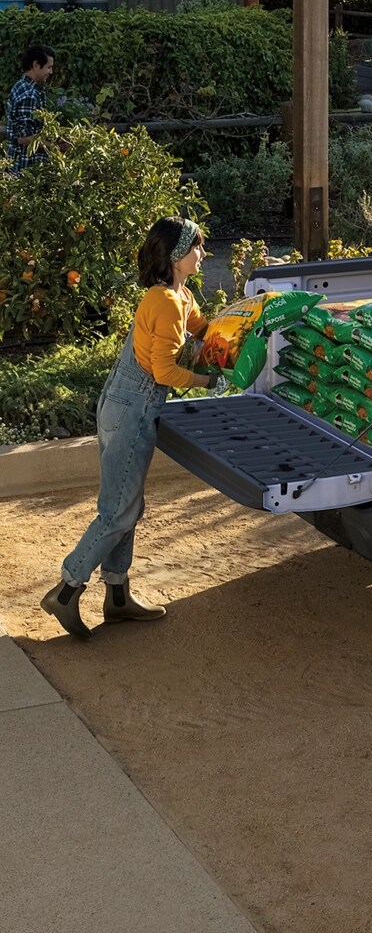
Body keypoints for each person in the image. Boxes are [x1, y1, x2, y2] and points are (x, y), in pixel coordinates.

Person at [41, 216, 211, 639]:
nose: (203, 254)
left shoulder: (179, 295)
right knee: (119, 510)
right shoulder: (166, 303)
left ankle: (117, 598)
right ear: (175, 256)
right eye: (196, 248)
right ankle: (65, 590)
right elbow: (165, 370)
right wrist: (211, 381)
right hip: (133, 410)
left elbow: (205, 329)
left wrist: (243, 323)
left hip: (122, 402)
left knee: (126, 505)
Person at [6, 45, 54, 173]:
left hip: (20, 167)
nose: (51, 72)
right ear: (36, 65)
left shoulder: (22, 86)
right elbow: (25, 138)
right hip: (25, 168)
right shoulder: (29, 94)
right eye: (48, 67)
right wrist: (56, 148)